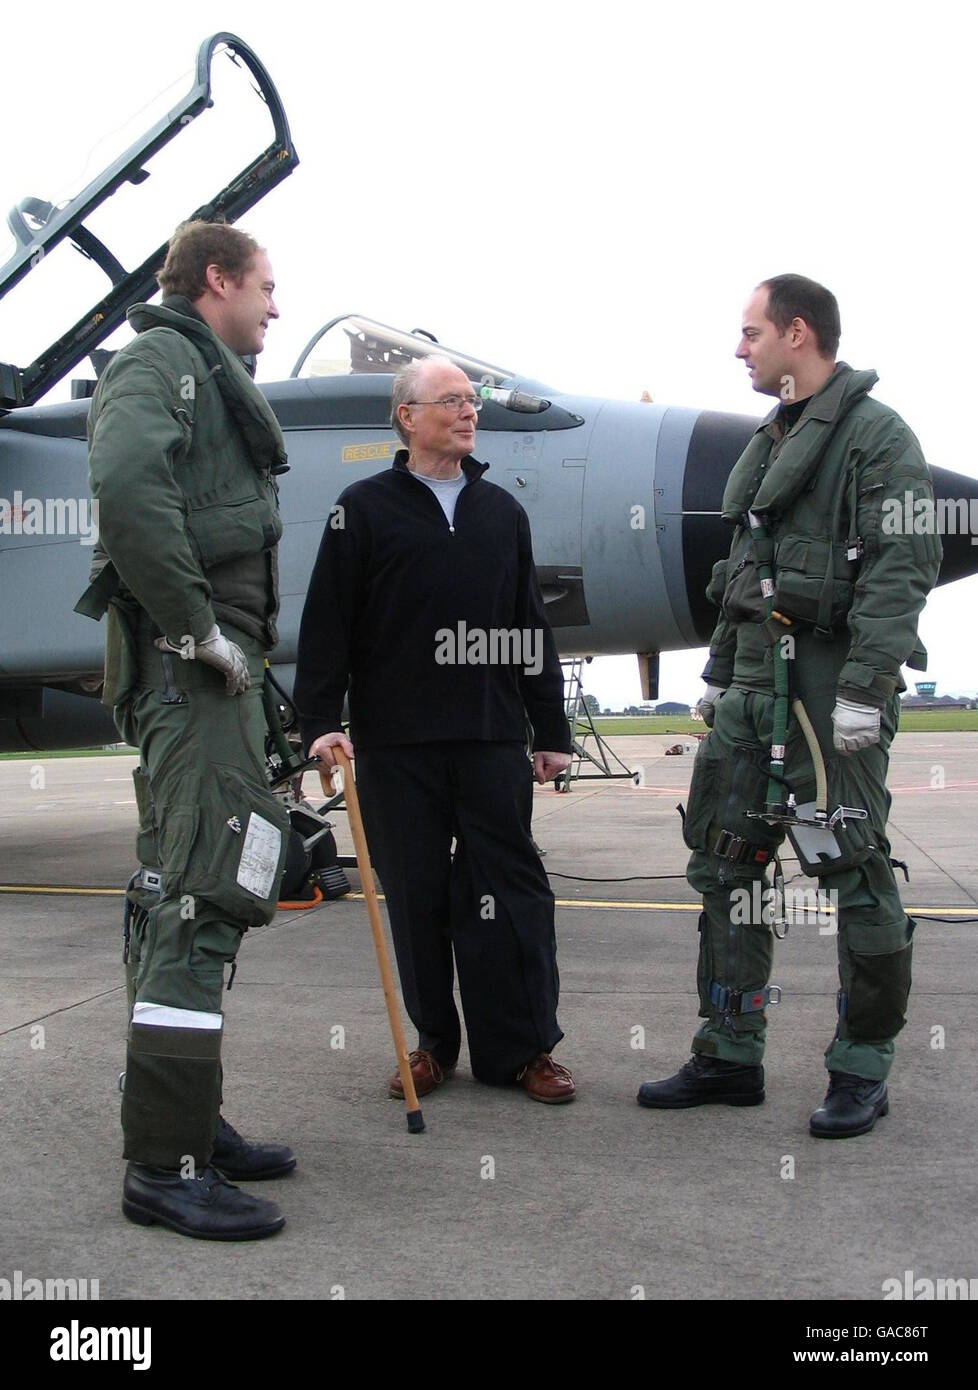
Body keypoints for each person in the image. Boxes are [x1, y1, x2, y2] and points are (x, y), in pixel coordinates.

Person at [638, 275, 941, 1137]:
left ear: (797, 334)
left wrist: (863, 689)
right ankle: (728, 1052)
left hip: (826, 694)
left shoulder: (878, 440)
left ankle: (861, 1068)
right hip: (751, 697)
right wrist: (719, 677)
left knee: (852, 871)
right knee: (727, 865)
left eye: (750, 333)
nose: (740, 349)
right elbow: (748, 577)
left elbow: (900, 568)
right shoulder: (769, 445)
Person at [77, 220, 295, 1239]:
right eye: (264, 286)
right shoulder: (159, 361)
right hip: (187, 669)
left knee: (202, 889)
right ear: (217, 278)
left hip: (218, 676)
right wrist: (196, 625)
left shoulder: (199, 373)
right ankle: (163, 1165)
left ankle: (187, 1117)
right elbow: (128, 489)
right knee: (198, 900)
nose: (275, 307)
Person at [294, 355, 576, 1103]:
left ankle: (525, 1050)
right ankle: (431, 1046)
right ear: (407, 417)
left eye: (471, 401)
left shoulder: (501, 512)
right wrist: (321, 723)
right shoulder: (363, 507)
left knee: (511, 893)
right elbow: (328, 626)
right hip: (396, 745)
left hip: (490, 736)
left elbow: (529, 629)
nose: (468, 411)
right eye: (450, 401)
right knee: (416, 896)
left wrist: (550, 729)